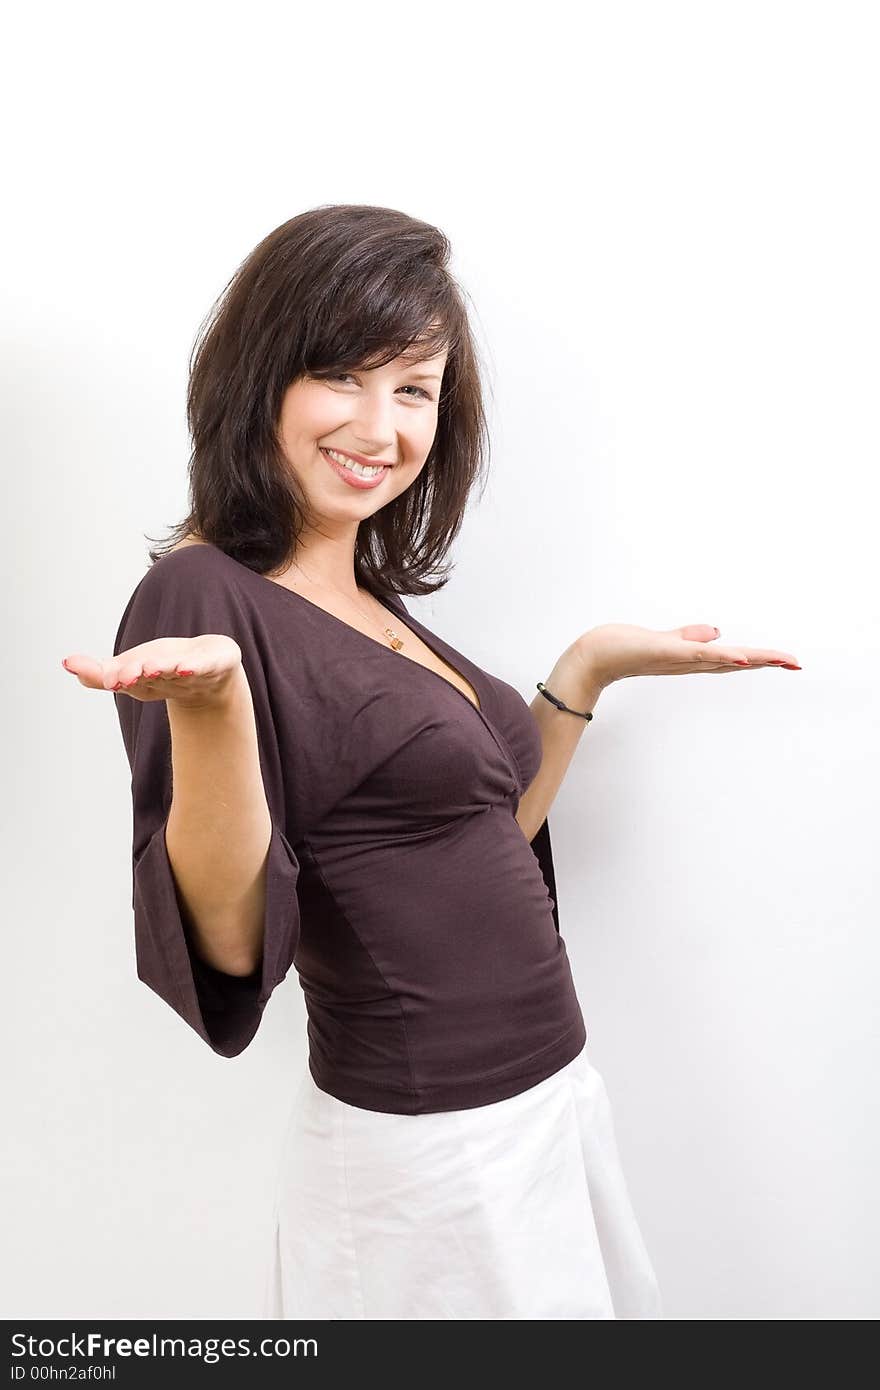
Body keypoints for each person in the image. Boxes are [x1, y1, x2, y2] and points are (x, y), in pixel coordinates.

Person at [62, 205, 800, 1320]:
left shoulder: (368, 597)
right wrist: (215, 711)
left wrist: (582, 674)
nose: (380, 423)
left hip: (543, 1104)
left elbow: (474, 837)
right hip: (425, 1156)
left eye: (414, 388)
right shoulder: (203, 596)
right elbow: (221, 932)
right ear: (259, 376)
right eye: (341, 375)